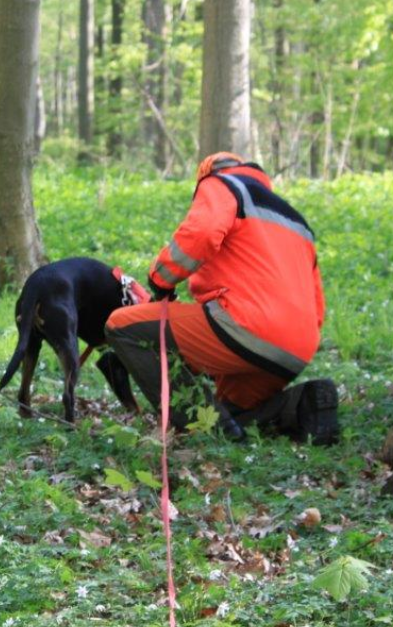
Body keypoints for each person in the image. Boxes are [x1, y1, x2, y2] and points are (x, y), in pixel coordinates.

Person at [104, 153, 338, 444]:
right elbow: (317, 306)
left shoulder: (223, 185)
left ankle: (201, 432)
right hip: (297, 349)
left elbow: (201, 234)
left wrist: (160, 280)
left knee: (121, 326)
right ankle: (300, 403)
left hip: (245, 328)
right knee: (227, 411)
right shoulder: (296, 221)